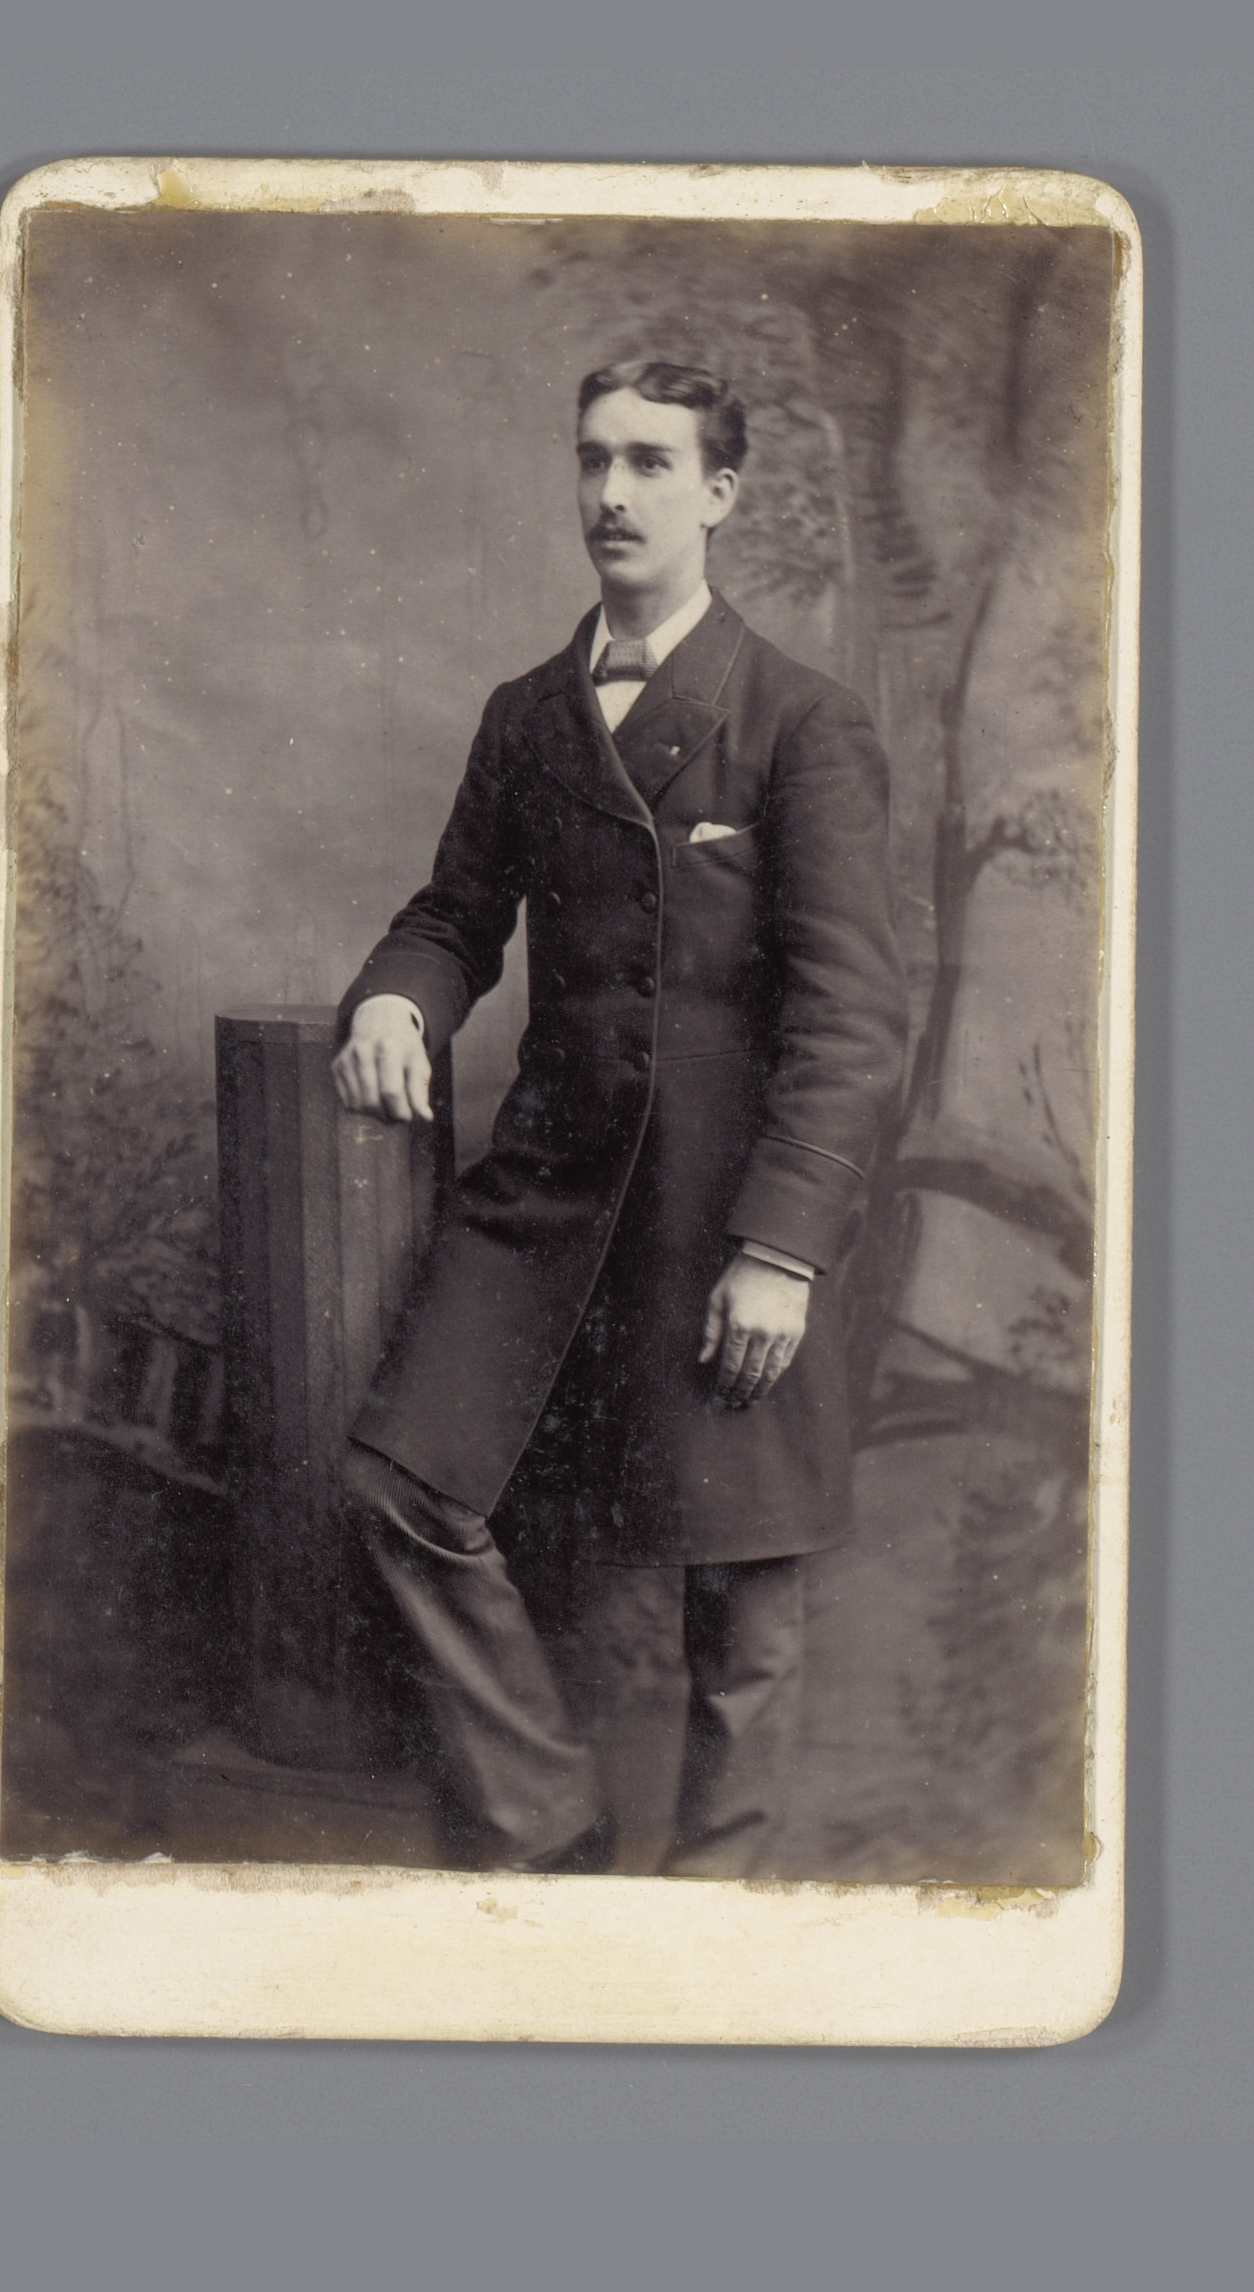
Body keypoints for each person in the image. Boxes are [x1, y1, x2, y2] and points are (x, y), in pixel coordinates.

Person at [331, 359, 907, 1876]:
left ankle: (705, 1929)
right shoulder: (527, 714)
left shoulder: (801, 722)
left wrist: (781, 1247)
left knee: (743, 1603)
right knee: (401, 1483)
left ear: (719, 493)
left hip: (725, 1210)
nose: (612, 493)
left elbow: (852, 1018)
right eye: (593, 459)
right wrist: (396, 1001)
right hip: (548, 1199)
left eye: (651, 462)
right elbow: (453, 917)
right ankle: (550, 1820)